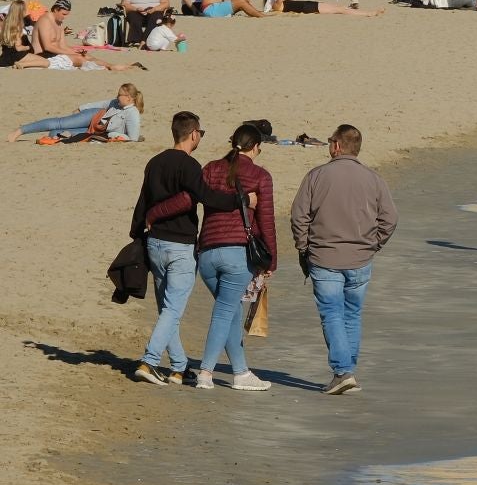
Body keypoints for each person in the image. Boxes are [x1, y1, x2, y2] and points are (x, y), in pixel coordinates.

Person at [129, 111, 244, 385]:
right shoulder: (189, 165)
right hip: (179, 245)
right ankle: (149, 361)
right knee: (172, 310)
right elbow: (205, 197)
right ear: (193, 134)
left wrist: (136, 235)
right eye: (200, 134)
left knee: (168, 309)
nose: (200, 138)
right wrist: (238, 201)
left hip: (154, 243)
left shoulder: (155, 161)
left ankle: (179, 366)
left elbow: (142, 201)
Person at [289, 124, 398, 395]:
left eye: (330, 142)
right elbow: (390, 219)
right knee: (350, 314)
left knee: (333, 314)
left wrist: (304, 247)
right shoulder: (373, 179)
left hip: (326, 256)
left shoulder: (317, 175)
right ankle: (346, 369)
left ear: (337, 146)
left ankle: (343, 371)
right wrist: (374, 244)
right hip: (358, 257)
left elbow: (298, 216)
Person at [194, 122, 276, 391]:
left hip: (206, 252)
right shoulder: (260, 176)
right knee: (225, 311)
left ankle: (241, 372)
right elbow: (266, 221)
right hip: (237, 254)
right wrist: (271, 260)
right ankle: (206, 371)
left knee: (229, 311)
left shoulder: (210, 169)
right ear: (255, 147)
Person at [9, 82, 143, 143]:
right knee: (60, 123)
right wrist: (81, 108)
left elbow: (133, 138)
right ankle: (20, 131)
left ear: (129, 98)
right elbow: (101, 104)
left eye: (119, 95)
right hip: (93, 116)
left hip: (96, 131)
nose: (117, 96)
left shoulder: (132, 114)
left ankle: (48, 135)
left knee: (57, 134)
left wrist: (113, 135)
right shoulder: (116, 102)